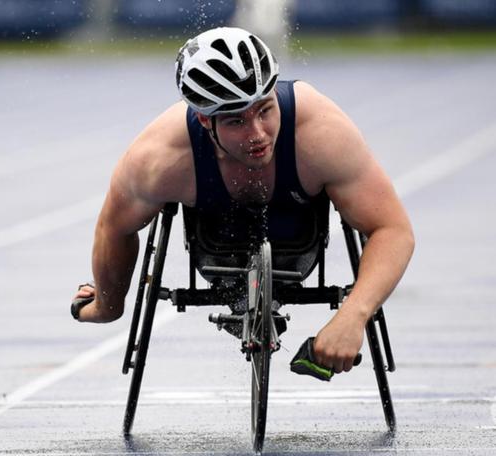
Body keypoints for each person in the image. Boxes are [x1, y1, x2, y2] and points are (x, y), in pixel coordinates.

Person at [71, 27, 414, 375]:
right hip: (216, 246)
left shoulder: (321, 133)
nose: (258, 134)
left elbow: (393, 230)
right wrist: (107, 305)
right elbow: (113, 228)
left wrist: (352, 316)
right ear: (205, 119)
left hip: (300, 242)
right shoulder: (158, 157)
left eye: (264, 110)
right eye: (236, 120)